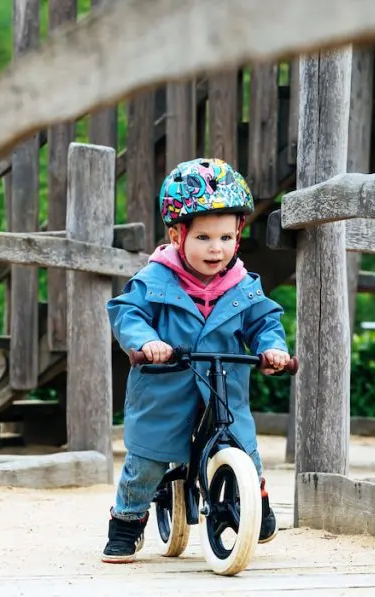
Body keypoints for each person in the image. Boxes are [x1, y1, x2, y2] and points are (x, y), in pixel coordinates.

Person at [101, 157, 291, 564]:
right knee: (148, 459)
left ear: (238, 235)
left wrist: (272, 348)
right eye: (203, 237)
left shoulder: (243, 285)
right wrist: (147, 341)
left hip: (224, 390)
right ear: (176, 234)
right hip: (165, 387)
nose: (216, 248)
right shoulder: (154, 280)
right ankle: (128, 520)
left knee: (245, 447)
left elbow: (264, 322)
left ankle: (253, 498)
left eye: (226, 237)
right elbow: (127, 313)